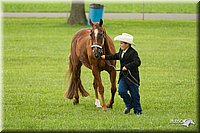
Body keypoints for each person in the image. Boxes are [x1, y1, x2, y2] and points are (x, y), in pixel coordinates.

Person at [101, 33, 142, 115]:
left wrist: (127, 66)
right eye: (120, 43)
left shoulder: (133, 53)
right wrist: (106, 57)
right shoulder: (121, 51)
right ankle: (129, 105)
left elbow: (137, 62)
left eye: (122, 43)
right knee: (121, 91)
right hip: (123, 76)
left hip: (132, 77)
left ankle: (138, 111)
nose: (120, 45)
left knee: (135, 95)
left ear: (127, 44)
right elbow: (117, 56)